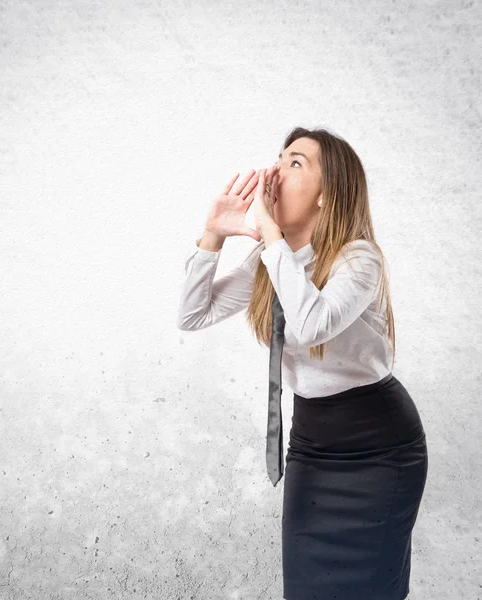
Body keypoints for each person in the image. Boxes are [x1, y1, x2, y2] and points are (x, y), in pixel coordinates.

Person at [176, 126, 428, 600]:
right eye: (279, 157)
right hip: (313, 445)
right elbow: (192, 314)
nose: (273, 171)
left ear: (325, 194)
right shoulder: (269, 262)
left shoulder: (359, 259)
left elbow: (312, 325)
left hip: (380, 451)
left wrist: (270, 233)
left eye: (294, 163)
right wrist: (213, 233)